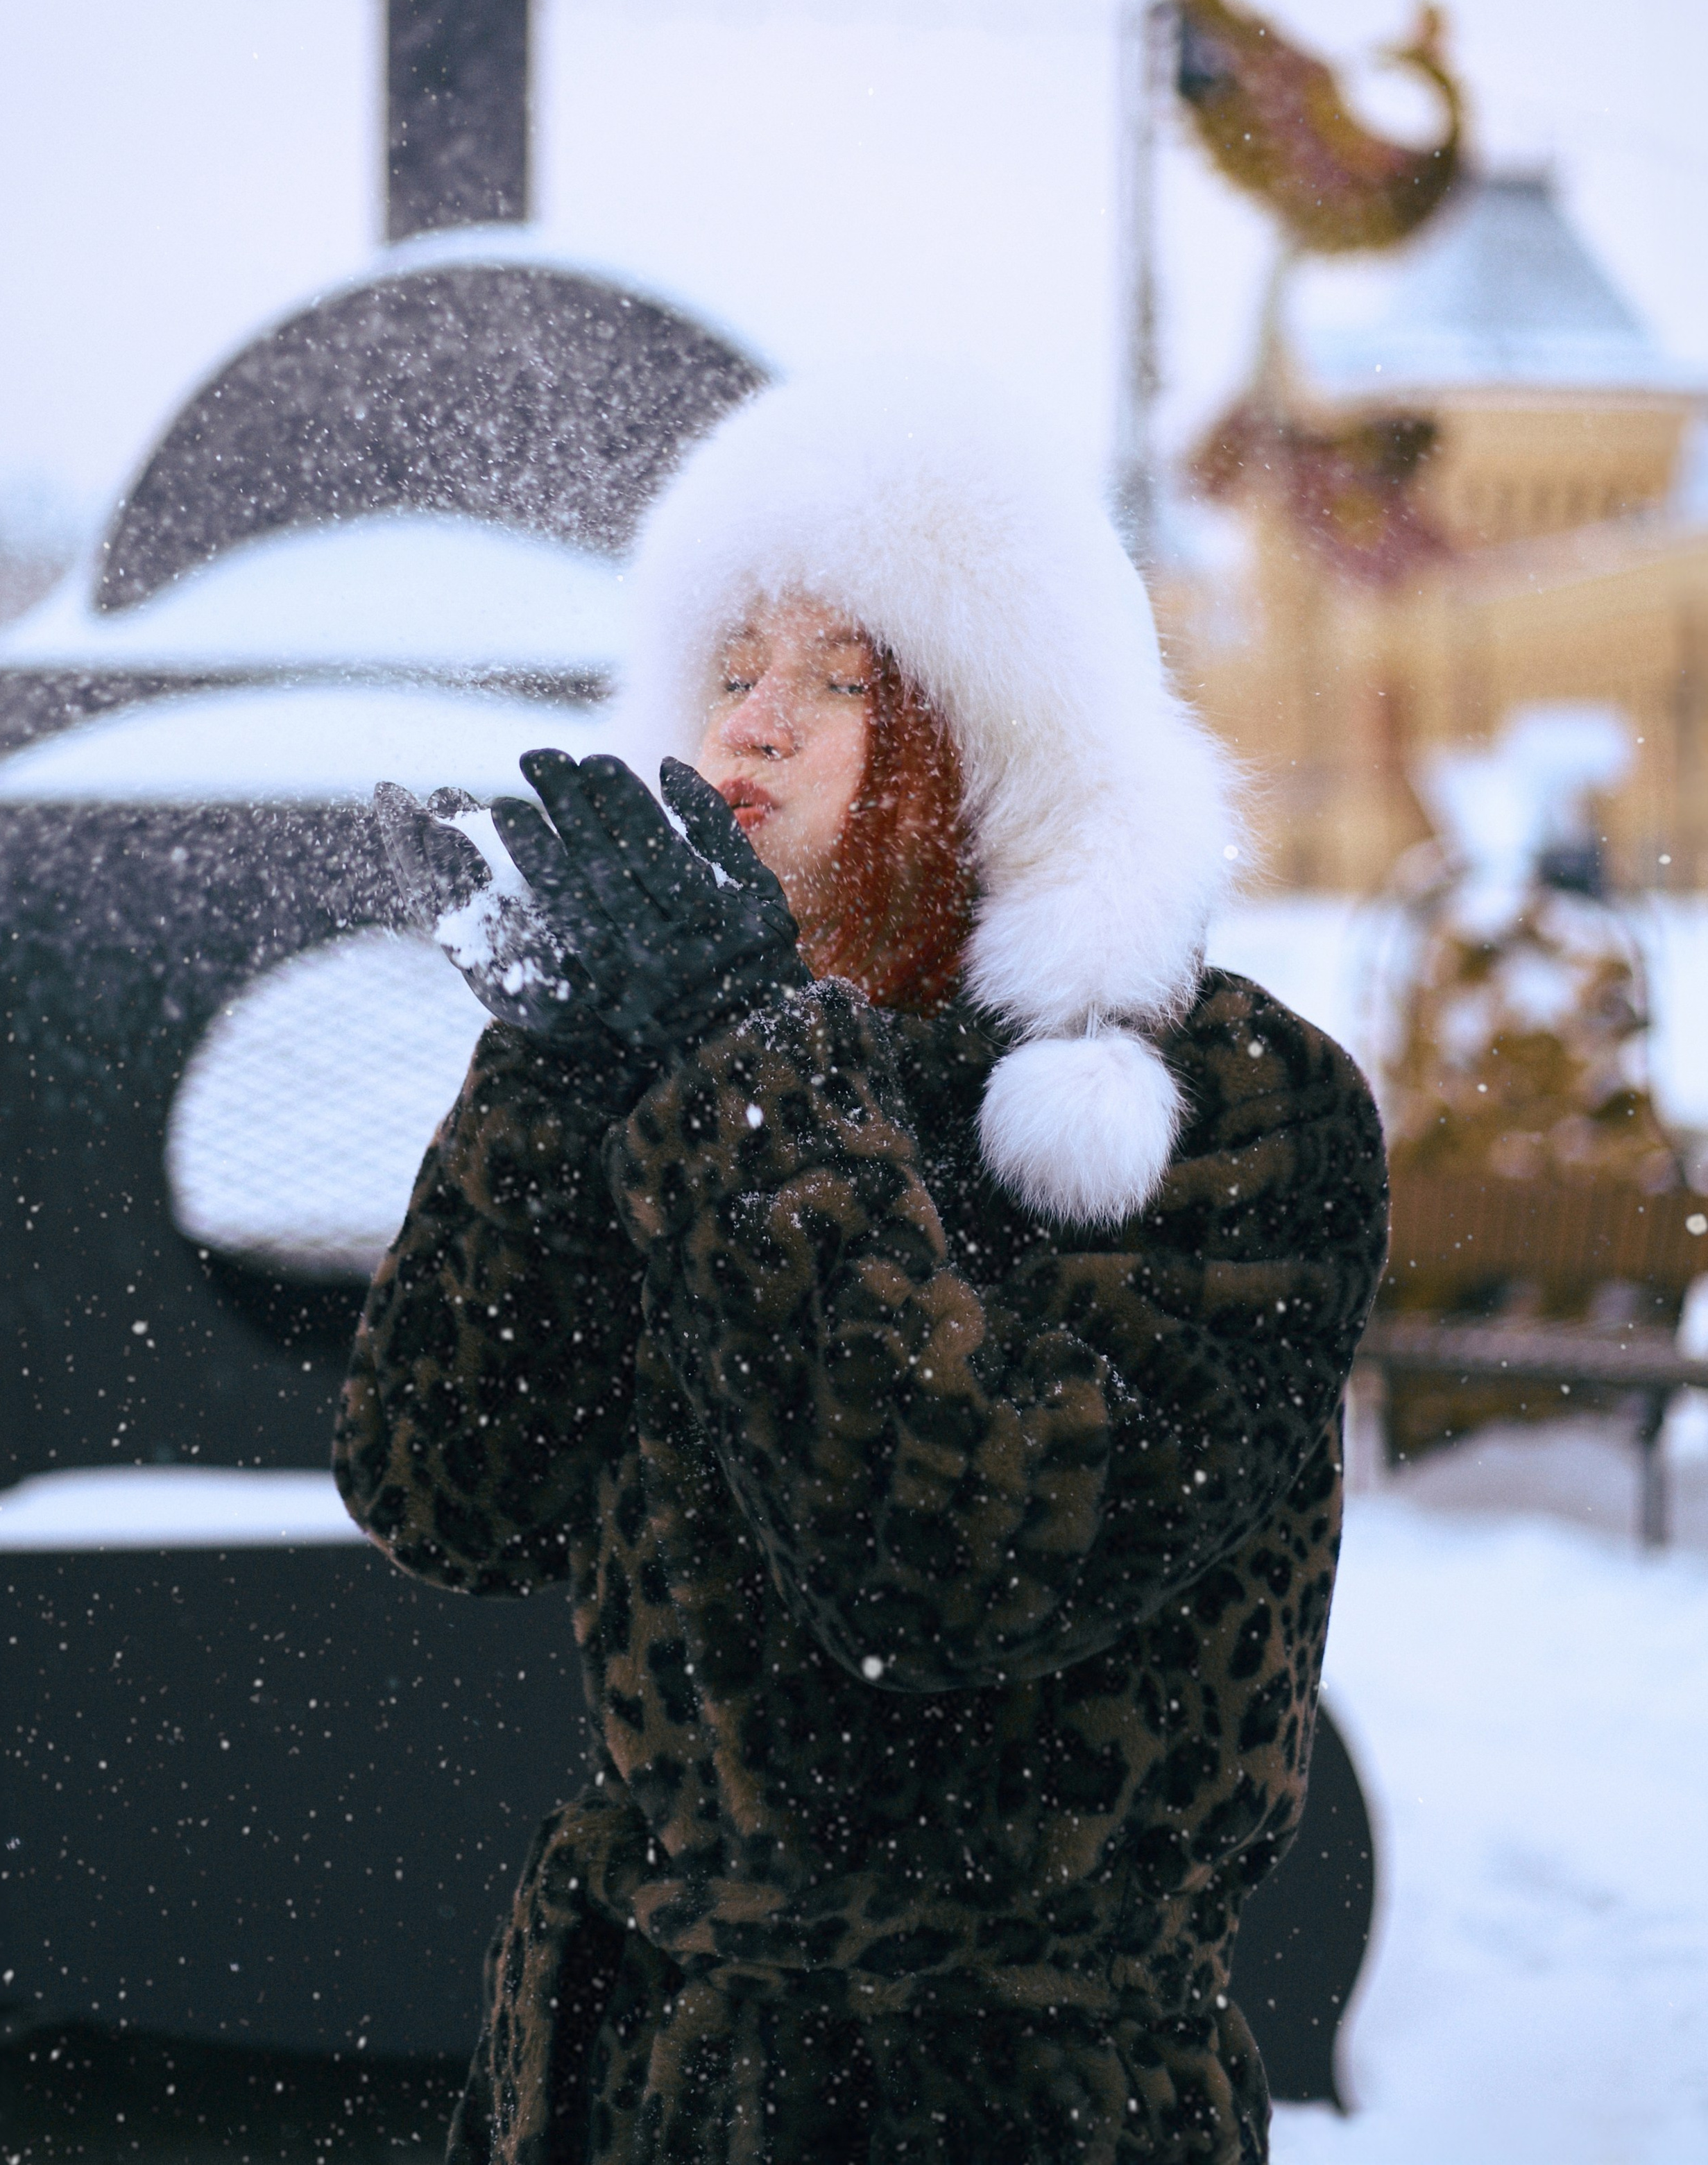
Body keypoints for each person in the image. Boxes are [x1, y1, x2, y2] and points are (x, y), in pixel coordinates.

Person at [335, 384, 1388, 2165]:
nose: (755, 726)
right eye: (732, 668)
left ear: (993, 734)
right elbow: (444, 1493)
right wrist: (552, 1080)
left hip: (1007, 2098)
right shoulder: (688, 1056)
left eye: (839, 680)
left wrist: (735, 1079)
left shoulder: (1229, 1105)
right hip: (628, 2067)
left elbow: (963, 1565)